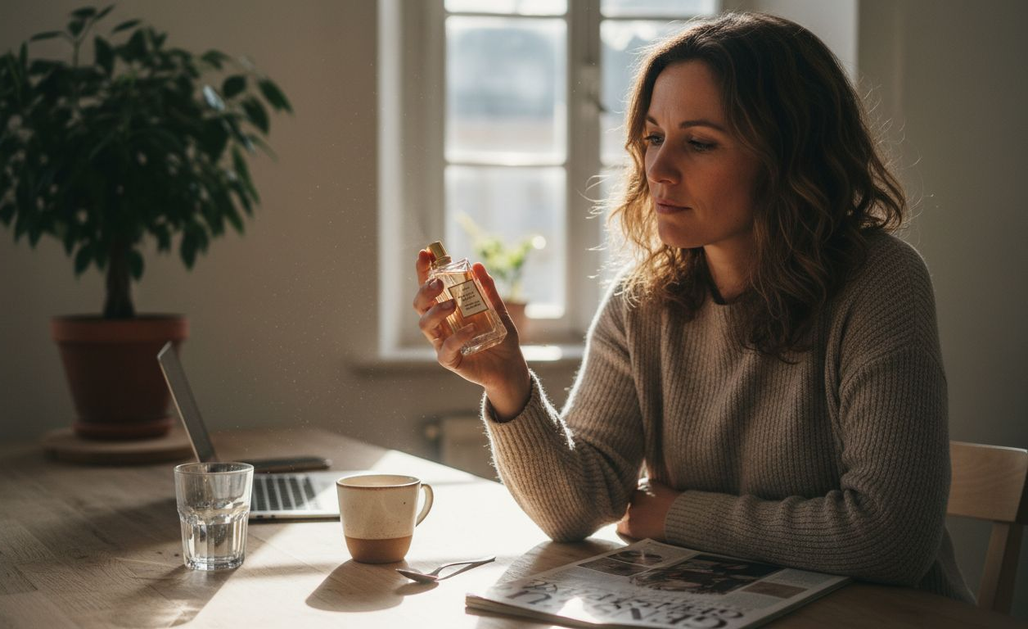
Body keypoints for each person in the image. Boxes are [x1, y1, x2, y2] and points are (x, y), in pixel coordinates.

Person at [412, 12, 971, 601]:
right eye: (653, 137)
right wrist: (508, 381)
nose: (657, 169)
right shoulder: (644, 300)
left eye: (699, 143)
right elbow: (579, 507)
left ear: (790, 157)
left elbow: (890, 539)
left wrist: (674, 516)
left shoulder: (880, 284)